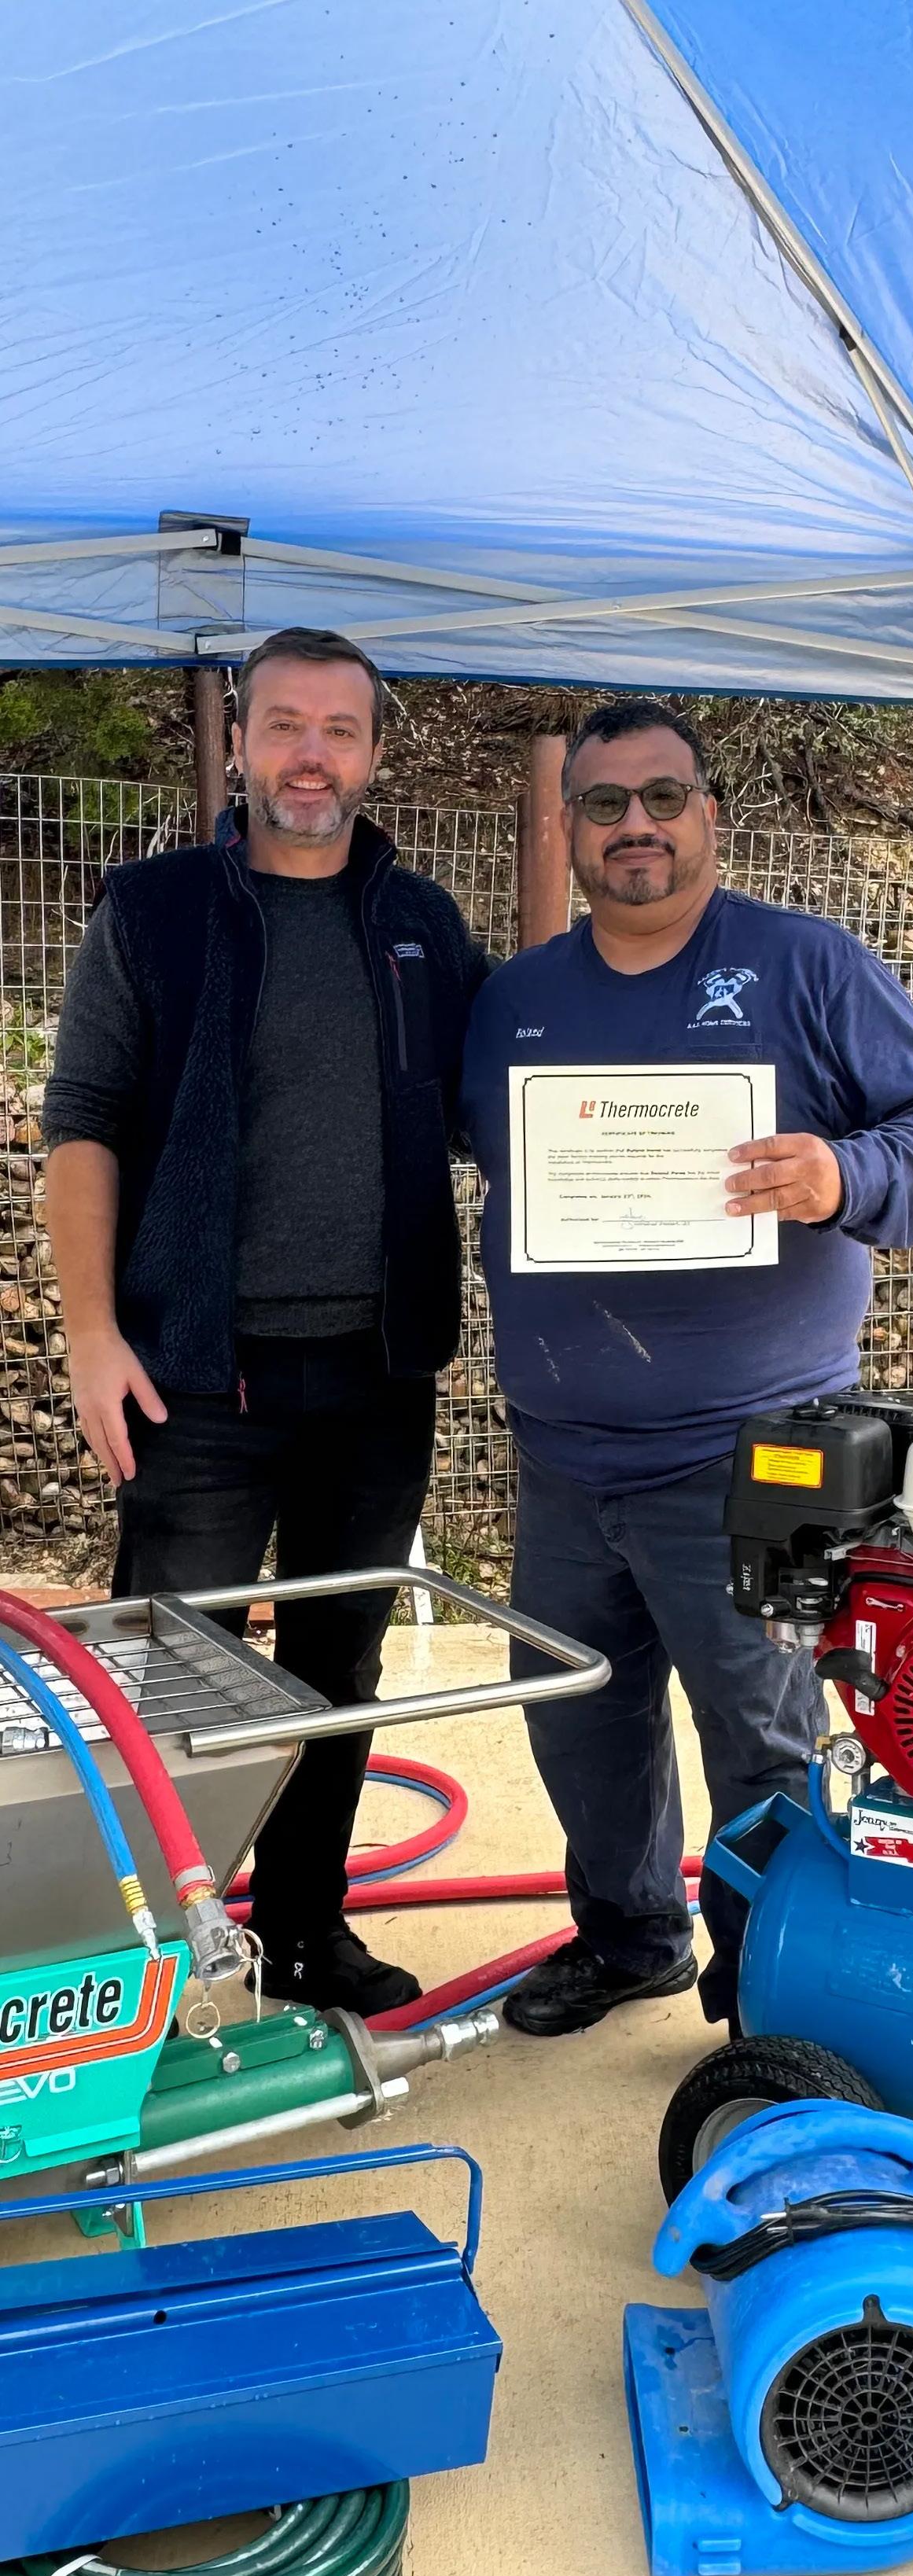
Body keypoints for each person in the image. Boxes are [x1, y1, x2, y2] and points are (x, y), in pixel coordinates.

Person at [461, 697, 913, 2037]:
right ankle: (629, 1938)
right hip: (562, 1453)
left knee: (761, 1743)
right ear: (568, 827)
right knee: (579, 1723)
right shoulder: (516, 1000)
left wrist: (840, 1174)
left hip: (747, 1459)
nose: (634, 824)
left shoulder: (807, 966)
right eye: (603, 803)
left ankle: (767, 1992)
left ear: (708, 814)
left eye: (662, 797)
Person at [42, 626, 488, 2016]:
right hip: (192, 1377)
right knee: (173, 1677)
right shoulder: (154, 909)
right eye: (284, 724)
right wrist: (91, 1335)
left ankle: (303, 1931)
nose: (310, 754)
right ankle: (151, 1965)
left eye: (338, 730)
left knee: (338, 1666)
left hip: (376, 1373)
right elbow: (82, 1123)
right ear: (238, 741)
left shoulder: (424, 927)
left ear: (374, 753)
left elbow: (502, 1111)